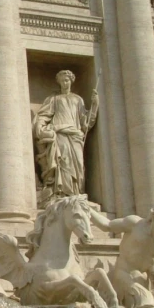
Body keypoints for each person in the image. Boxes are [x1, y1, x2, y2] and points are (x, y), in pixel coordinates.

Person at [90, 204, 154, 308]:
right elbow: (107, 225)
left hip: (142, 279)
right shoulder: (135, 224)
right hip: (123, 274)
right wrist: (87, 209)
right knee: (146, 300)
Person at [33, 69, 98, 208]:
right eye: (62, 81)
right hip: (60, 134)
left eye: (66, 80)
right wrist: (40, 127)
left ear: (71, 81)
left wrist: (94, 105)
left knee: (78, 166)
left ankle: (76, 193)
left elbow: (85, 123)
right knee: (63, 163)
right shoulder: (54, 99)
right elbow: (44, 115)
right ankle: (61, 193)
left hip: (75, 135)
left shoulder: (78, 99)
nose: (64, 83)